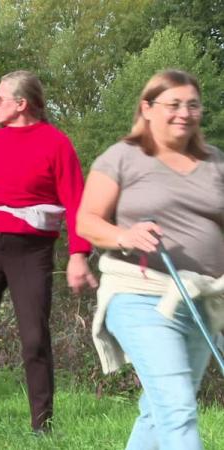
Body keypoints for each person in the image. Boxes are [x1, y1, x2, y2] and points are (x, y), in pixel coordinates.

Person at [0, 70, 96, 438]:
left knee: (34, 339)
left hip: (32, 252)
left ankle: (42, 426)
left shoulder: (56, 144)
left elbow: (77, 201)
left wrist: (79, 254)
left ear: (21, 104)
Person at [77, 69, 224, 450]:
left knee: (160, 411)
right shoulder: (123, 157)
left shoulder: (215, 163)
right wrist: (125, 235)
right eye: (173, 104)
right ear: (147, 107)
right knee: (177, 409)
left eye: (192, 104)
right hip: (139, 295)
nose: (184, 113)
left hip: (201, 301)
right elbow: (87, 220)